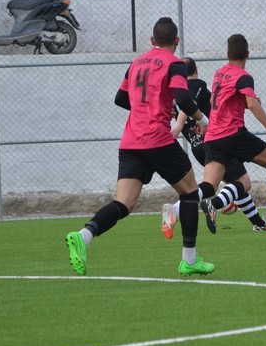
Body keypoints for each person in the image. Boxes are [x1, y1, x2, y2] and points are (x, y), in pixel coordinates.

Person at [65, 17, 214, 276]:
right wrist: (205, 121)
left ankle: (84, 235)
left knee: (124, 202)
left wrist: (151, 107)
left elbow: (121, 98)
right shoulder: (175, 64)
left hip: (131, 141)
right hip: (157, 139)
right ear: (176, 41)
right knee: (190, 193)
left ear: (152, 40)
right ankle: (189, 261)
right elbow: (183, 98)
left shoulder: (135, 63)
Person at [197, 33, 266, 233]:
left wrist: (247, 102)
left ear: (227, 54)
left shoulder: (219, 73)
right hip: (232, 133)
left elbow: (219, 101)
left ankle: (179, 209)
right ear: (248, 54)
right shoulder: (244, 77)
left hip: (213, 136)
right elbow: (253, 105)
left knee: (213, 185)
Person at [160, 56, 266, 237]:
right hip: (214, 142)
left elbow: (216, 104)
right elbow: (190, 105)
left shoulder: (176, 94)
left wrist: (245, 102)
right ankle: (179, 208)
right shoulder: (196, 85)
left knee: (235, 184)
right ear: (196, 70)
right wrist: (179, 126)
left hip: (200, 147)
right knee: (243, 183)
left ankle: (258, 223)